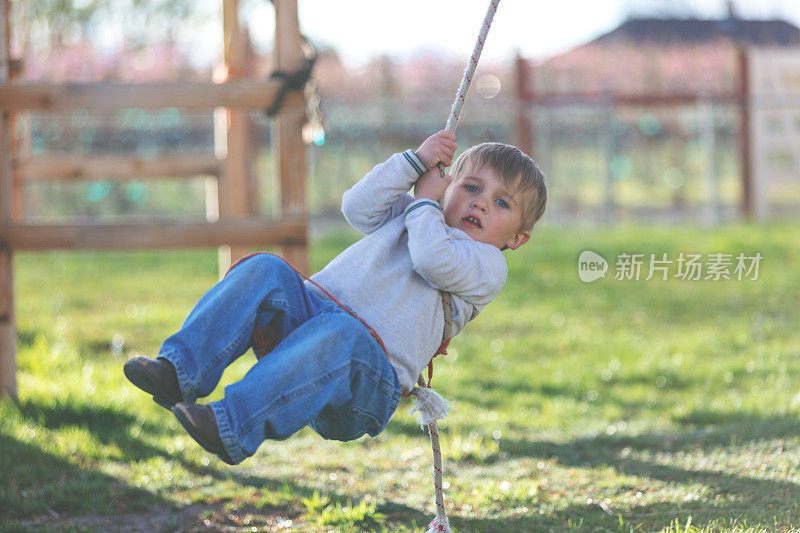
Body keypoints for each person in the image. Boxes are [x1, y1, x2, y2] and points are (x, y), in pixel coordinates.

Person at [124, 130, 547, 465]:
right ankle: (179, 372)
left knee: (342, 331)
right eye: (471, 188)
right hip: (308, 328)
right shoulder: (416, 211)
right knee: (266, 268)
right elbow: (357, 208)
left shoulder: (488, 265)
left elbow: (432, 260)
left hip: (368, 379)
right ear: (449, 183)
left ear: (518, 238)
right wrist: (413, 163)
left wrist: (424, 205)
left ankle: (232, 424)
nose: (481, 205)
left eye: (501, 202)